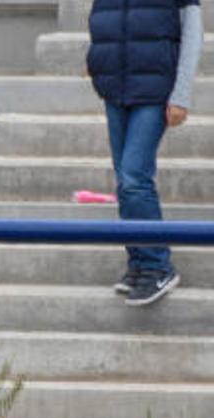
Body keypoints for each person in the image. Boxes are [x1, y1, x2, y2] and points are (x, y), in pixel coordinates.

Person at [87, 0, 201, 306]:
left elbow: (192, 31)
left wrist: (181, 95)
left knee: (135, 176)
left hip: (155, 91)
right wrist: (97, 64)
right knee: (126, 180)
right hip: (115, 88)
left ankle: (157, 266)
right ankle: (138, 262)